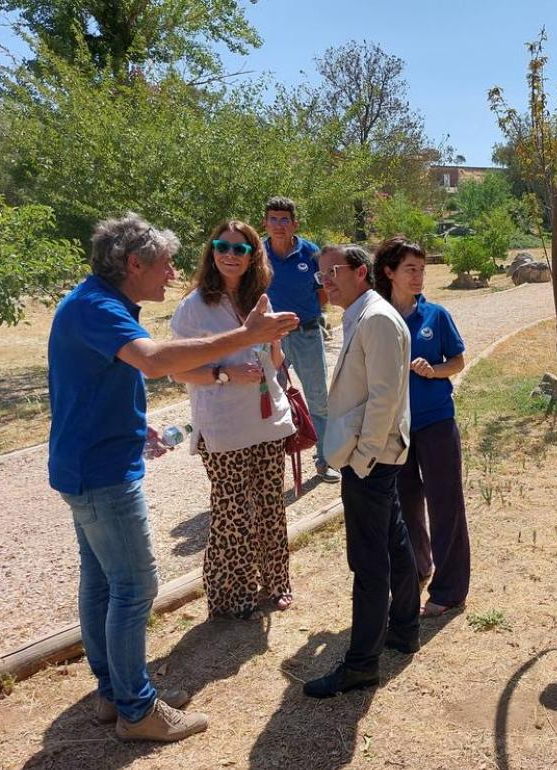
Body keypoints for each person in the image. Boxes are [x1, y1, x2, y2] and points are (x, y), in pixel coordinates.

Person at [47, 214, 299, 741]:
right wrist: (246, 336)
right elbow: (155, 361)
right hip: (101, 472)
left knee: (101, 585)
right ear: (133, 263)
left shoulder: (101, 304)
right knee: (135, 587)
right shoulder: (98, 307)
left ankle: (114, 695)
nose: (172, 272)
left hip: (93, 461)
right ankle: (138, 710)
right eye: (164, 264)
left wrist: (137, 428)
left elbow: (101, 383)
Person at [302, 244, 421, 699]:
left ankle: (361, 664)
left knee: (369, 562)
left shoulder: (376, 319)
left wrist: (364, 457)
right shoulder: (364, 314)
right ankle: (404, 628)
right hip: (372, 456)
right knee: (393, 540)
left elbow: (385, 398)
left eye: (332, 271)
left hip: (370, 459)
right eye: (320, 275)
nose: (324, 281)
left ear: (360, 271)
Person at [169, 221, 296, 620]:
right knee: (234, 514)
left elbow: (274, 363)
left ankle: (276, 583)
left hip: (267, 419)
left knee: (271, 506)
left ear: (252, 256)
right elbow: (177, 370)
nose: (229, 254)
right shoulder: (193, 308)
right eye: (222, 246)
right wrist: (224, 374)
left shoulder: (258, 299)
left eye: (239, 249)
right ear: (211, 252)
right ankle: (231, 597)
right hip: (223, 428)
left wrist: (275, 341)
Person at [373, 236, 470, 619]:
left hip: (435, 422)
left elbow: (458, 360)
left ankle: (450, 590)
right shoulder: (377, 317)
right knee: (405, 503)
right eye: (410, 269)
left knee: (445, 505)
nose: (418, 277)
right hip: (395, 426)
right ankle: (417, 567)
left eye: (422, 269)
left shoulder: (436, 315)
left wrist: (435, 371)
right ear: (389, 272)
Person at [261, 196, 338, 483]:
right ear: (265, 222)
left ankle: (326, 459)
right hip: (269, 338)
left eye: (285, 219)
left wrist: (311, 314)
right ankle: (269, 466)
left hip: (306, 333)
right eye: (273, 219)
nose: (279, 225)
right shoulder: (257, 253)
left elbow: (322, 292)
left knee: (318, 397)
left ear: (295, 224)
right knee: (266, 398)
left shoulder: (311, 253)